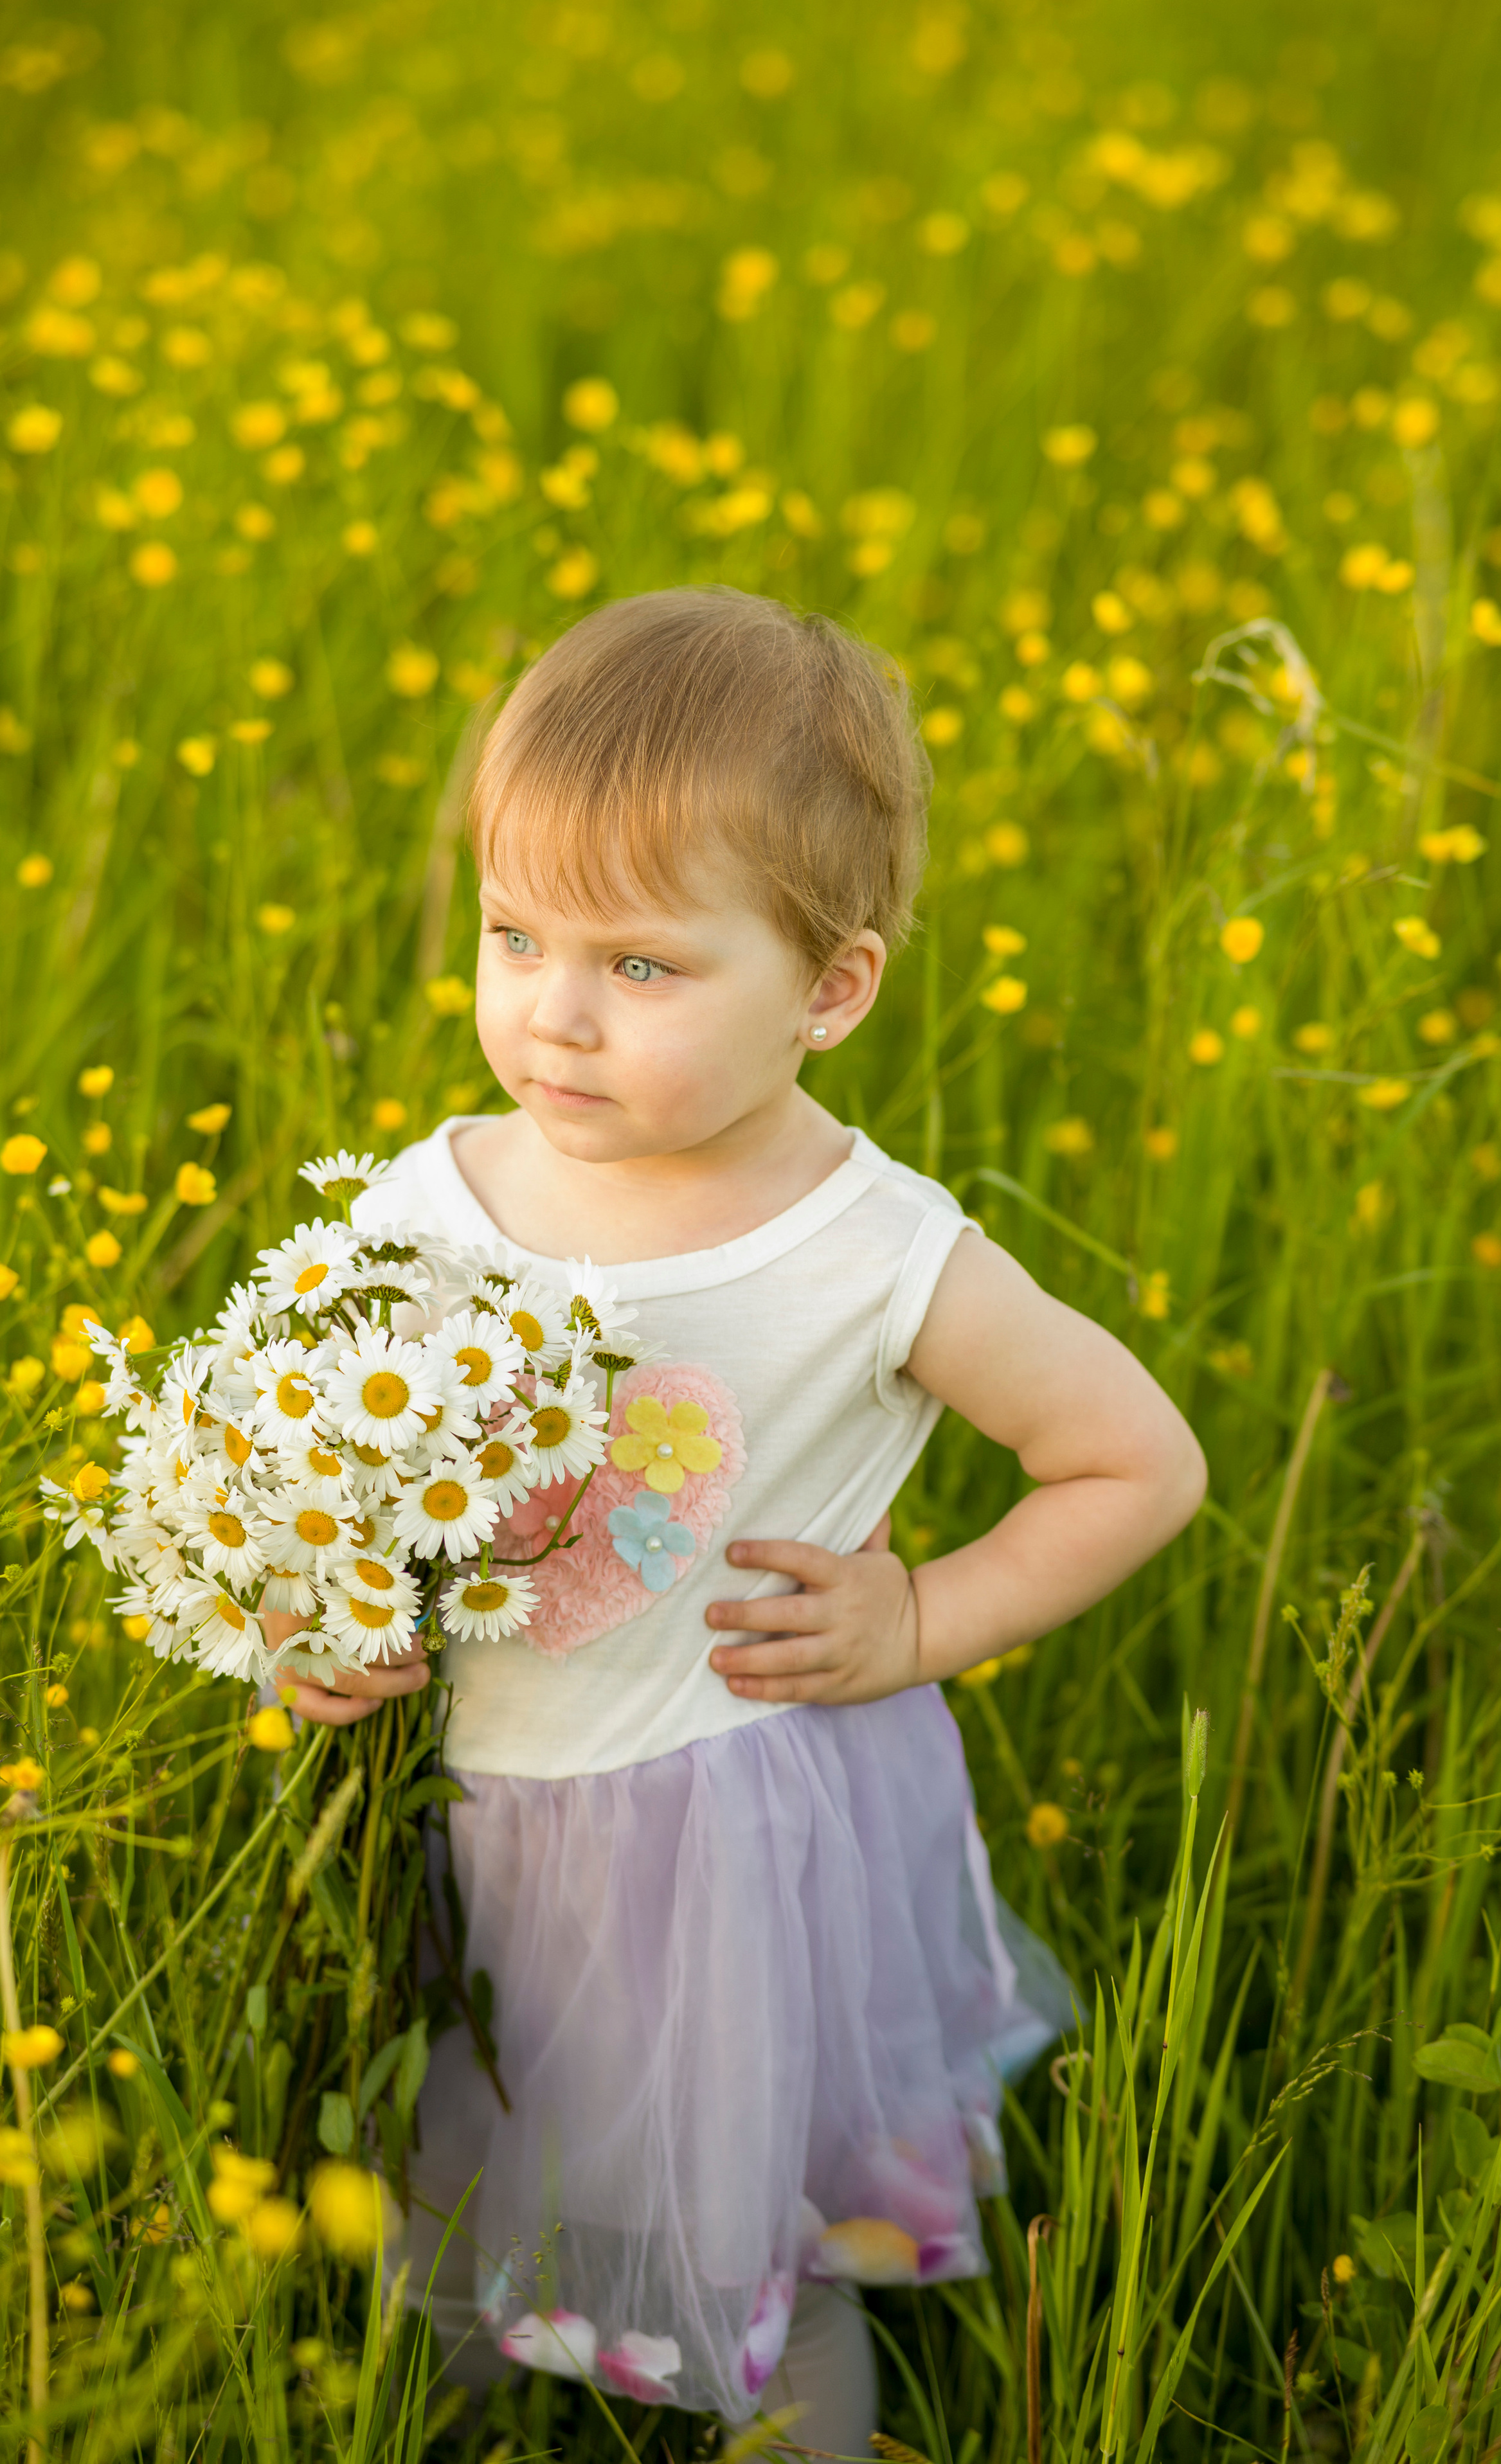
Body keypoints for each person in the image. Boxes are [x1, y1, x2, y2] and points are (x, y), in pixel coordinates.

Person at [273, 587, 1207, 2447]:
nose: (552, 1011)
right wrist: (332, 1613)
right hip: (472, 1824)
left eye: (640, 966)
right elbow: (349, 1483)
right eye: (516, 931)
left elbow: (1137, 1461)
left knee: (755, 2263)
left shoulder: (872, 1252)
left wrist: (918, 1617)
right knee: (455, 2198)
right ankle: (469, 2402)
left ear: (832, 989)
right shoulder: (433, 1197)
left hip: (728, 1852)